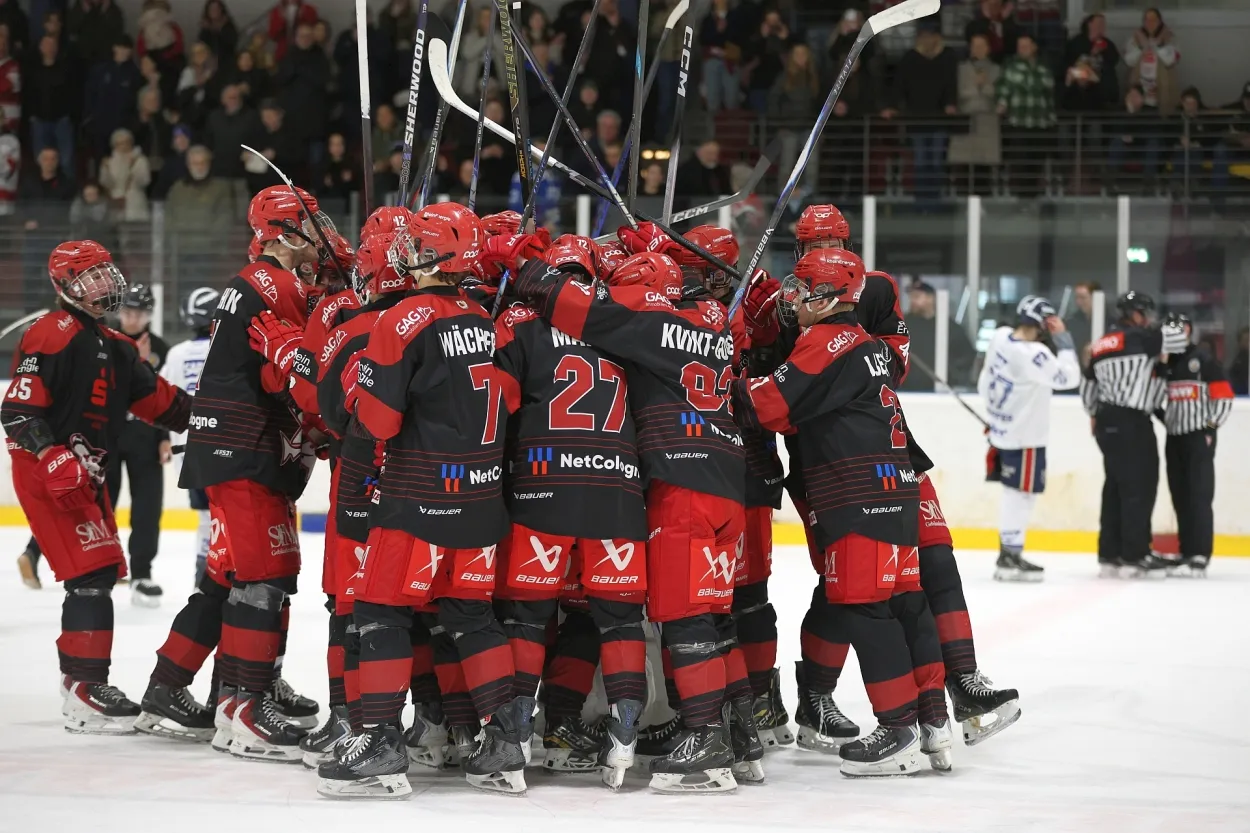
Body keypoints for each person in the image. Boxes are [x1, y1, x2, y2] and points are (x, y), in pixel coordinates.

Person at [511, 227, 752, 793]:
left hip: (680, 483)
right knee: (718, 618)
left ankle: (704, 738)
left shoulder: (649, 325)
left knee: (686, 618)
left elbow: (574, 307)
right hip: (728, 482)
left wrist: (522, 267)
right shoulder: (712, 323)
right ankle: (737, 733)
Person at [790, 204, 1022, 748]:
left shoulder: (870, 289)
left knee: (934, 561)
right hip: (827, 460)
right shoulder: (788, 297)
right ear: (797, 249)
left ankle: (961, 679)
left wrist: (841, 331)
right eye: (811, 245)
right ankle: (816, 699)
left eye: (834, 241)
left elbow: (894, 364)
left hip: (894, 449)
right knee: (847, 583)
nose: (822, 252)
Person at [322, 203, 526, 799]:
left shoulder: (404, 318)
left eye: (415, 245)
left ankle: (381, 744)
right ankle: (506, 744)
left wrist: (362, 384)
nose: (404, 253)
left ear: (436, 255)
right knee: (471, 617)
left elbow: (381, 423)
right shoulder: (494, 323)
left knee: (380, 611)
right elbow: (510, 400)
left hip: (416, 497)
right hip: (483, 499)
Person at [139, 186, 324, 753]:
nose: (320, 234)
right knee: (264, 577)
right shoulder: (277, 283)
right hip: (246, 452)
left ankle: (168, 688)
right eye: (311, 224)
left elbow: (269, 372)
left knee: (227, 579)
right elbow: (318, 354)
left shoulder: (260, 281)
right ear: (287, 232)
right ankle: (243, 709)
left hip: (235, 449)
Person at [731, 248, 927, 776]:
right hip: (891, 489)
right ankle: (919, 719)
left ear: (831, 296)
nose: (792, 297)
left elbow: (768, 406)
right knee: (868, 602)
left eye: (803, 288)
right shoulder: (863, 343)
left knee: (864, 607)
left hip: (859, 493)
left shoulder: (826, 341)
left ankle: (899, 728)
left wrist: (725, 370)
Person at [2, 240, 190, 734]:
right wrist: (48, 452)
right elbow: (17, 410)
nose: (105, 286)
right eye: (91, 277)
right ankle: (85, 687)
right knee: (92, 572)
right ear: (64, 286)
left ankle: (78, 682)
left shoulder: (120, 347)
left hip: (88, 472)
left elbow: (165, 405)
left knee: (102, 568)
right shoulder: (51, 332)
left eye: (107, 274)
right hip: (51, 471)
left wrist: (227, 412)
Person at [484, 233, 650, 789]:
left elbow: (495, 403)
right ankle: (625, 733)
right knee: (618, 619)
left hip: (542, 489)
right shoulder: (619, 327)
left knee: (526, 618)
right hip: (618, 495)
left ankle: (511, 739)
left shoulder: (520, 323)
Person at [1081, 290, 1187, 577]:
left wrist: (1093, 413)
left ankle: (1110, 554)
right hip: (1132, 421)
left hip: (1106, 420)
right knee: (1139, 487)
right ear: (1136, 313)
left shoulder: (1101, 343)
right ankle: (1135, 554)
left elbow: (1088, 387)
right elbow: (1180, 337)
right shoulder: (1140, 338)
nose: (1149, 319)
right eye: (1147, 313)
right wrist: (1170, 326)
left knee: (1115, 487)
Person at [978, 296, 1080, 582]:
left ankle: (1009, 552)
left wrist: (996, 417)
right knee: (1020, 495)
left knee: (1015, 493)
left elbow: (985, 381)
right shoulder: (1035, 354)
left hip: (1003, 432)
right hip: (1025, 438)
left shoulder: (999, 337)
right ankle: (1010, 555)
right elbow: (1069, 378)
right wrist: (1064, 339)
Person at [109, 283, 172, 606]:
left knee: (147, 509)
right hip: (108, 436)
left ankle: (142, 573)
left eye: (139, 313)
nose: (132, 319)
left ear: (149, 315)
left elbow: (162, 396)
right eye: (127, 312)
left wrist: (164, 438)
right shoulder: (103, 341)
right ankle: (102, 568)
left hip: (146, 438)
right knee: (101, 505)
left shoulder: (161, 348)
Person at [1159, 313, 1234, 577]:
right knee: (1180, 495)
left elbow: (1224, 397)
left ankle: (1200, 553)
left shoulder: (1203, 360)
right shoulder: (1165, 363)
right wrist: (1165, 420)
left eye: (1177, 329)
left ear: (1188, 330)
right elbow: (1155, 397)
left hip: (1198, 437)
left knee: (1199, 495)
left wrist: (1210, 429)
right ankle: (1186, 549)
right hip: (1174, 438)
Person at [161, 287, 219, 586]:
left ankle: (203, 574)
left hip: (186, 450)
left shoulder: (175, 354)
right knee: (224, 512)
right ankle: (220, 571)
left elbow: (164, 400)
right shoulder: (225, 349)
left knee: (204, 517)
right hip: (222, 445)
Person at [884, 21, 958, 204]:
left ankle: (936, 201)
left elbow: (952, 83)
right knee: (920, 162)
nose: (927, 39)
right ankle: (922, 202)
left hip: (940, 119)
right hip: (917, 119)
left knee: (936, 161)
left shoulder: (947, 56)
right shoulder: (910, 58)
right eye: (923, 36)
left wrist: (951, 103)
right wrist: (893, 106)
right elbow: (899, 85)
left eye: (930, 35)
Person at [996, 33, 1056, 199]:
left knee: (1037, 164)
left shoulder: (1044, 67)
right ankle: (1022, 200)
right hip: (1019, 123)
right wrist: (1001, 104)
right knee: (1020, 164)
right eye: (1019, 46)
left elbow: (1048, 93)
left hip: (1041, 123)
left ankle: (1034, 199)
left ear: (1034, 47)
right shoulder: (1011, 66)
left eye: (1025, 45)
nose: (1021, 49)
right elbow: (1003, 89)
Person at [948, 32, 1001, 195]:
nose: (977, 50)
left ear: (988, 49)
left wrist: (984, 86)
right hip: (966, 118)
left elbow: (997, 94)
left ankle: (984, 201)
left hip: (988, 120)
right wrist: (974, 88)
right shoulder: (961, 69)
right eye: (974, 46)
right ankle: (963, 199)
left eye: (981, 46)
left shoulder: (996, 69)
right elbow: (958, 92)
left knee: (984, 164)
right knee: (964, 162)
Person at [901, 281, 976, 390]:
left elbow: (967, 355)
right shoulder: (901, 325)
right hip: (905, 392)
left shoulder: (948, 327)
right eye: (911, 297)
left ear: (931, 298)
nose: (912, 301)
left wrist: (951, 374)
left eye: (917, 297)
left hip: (940, 392)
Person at [768, 44, 821, 195]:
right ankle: (783, 194)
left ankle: (809, 195)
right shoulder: (784, 77)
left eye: (804, 54)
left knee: (811, 163)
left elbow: (819, 102)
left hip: (809, 127)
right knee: (787, 162)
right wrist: (779, 123)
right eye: (797, 54)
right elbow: (773, 100)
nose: (801, 58)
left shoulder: (814, 77)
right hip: (788, 126)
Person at [1106, 85, 1164, 194]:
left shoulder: (1150, 111)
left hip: (1143, 149)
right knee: (1116, 142)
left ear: (1142, 98)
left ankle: (1148, 182)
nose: (1133, 99)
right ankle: (1111, 181)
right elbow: (1114, 129)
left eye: (1136, 96)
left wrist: (1135, 136)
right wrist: (1129, 114)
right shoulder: (1120, 111)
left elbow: (1155, 131)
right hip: (1125, 149)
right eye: (1130, 96)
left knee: (1153, 143)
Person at [1124, 7, 1179, 115]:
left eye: (1153, 20)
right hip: (1139, 91)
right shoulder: (1135, 38)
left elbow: (1171, 60)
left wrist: (1159, 44)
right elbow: (1128, 61)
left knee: (1161, 121)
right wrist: (1141, 46)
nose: (1150, 23)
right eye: (1147, 20)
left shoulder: (1169, 37)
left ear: (1160, 21)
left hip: (1161, 90)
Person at [1061, 13, 1120, 113]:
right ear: (1089, 24)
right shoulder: (1076, 42)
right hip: (1080, 87)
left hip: (1101, 87)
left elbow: (1114, 61)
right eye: (1099, 23)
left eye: (1103, 24)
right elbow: (1070, 64)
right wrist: (1092, 53)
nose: (1102, 26)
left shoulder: (1108, 44)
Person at [98, 128, 152, 221]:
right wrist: (105, 170)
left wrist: (132, 168)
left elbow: (144, 181)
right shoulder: (110, 162)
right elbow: (106, 184)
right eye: (119, 143)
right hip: (116, 204)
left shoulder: (140, 160)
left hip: (135, 204)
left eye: (126, 142)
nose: (123, 146)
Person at [1063, 280, 1098, 363]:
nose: (1079, 302)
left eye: (1083, 298)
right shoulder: (1071, 323)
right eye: (1077, 298)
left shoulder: (1110, 322)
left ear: (1095, 298)